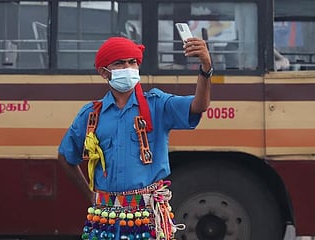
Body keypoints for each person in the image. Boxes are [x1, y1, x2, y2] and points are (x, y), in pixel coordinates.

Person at [57, 36, 212, 240]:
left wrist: (206, 68)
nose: (128, 67)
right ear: (104, 72)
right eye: (120, 63)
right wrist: (90, 195)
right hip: (105, 218)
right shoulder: (90, 115)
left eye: (132, 62)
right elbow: (66, 157)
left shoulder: (157, 104)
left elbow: (198, 106)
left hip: (148, 217)